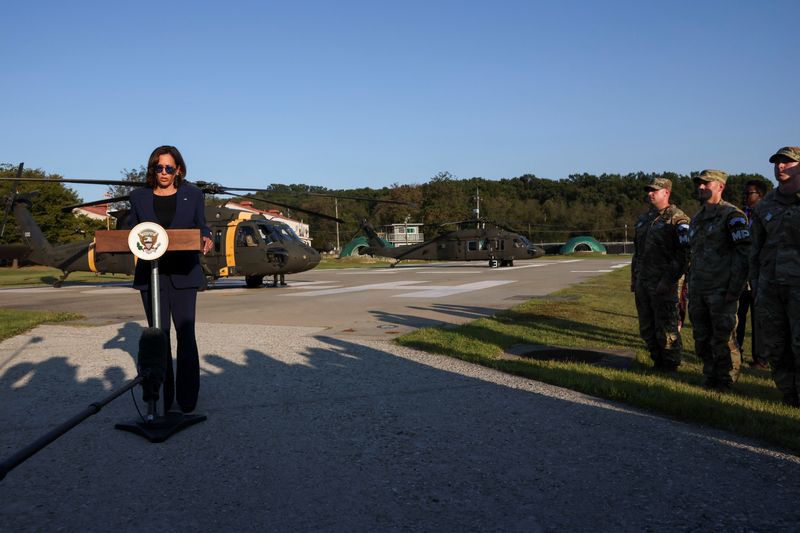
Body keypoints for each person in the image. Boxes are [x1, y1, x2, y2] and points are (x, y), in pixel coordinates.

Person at [129, 145, 213, 413]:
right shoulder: (138, 197)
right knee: (158, 337)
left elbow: (202, 225)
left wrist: (207, 237)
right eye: (158, 167)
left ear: (178, 169)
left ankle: (187, 399)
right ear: (152, 169)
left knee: (185, 336)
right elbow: (130, 230)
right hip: (151, 276)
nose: (163, 172)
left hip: (184, 274)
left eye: (168, 167)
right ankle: (162, 399)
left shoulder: (193, 195)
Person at [687, 170, 750, 391]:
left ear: (720, 186)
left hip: (722, 290)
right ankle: (709, 376)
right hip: (698, 290)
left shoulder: (732, 215)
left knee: (724, 338)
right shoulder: (697, 218)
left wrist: (736, 288)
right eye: (699, 184)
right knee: (702, 338)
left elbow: (744, 254)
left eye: (706, 184)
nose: (701, 187)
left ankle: (726, 382)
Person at [750, 147, 800, 407]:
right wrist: (756, 284)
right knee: (776, 346)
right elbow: (755, 250)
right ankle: (788, 395)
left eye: (788, 162)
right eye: (777, 163)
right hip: (770, 288)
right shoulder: (765, 205)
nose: (781, 167)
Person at [631, 177, 690, 371]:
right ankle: (657, 361)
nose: (650, 193)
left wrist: (669, 281)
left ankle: (670, 365)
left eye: (654, 190)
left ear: (666, 193)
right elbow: (638, 253)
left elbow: (684, 255)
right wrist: (635, 279)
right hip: (643, 282)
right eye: (649, 190)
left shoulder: (678, 218)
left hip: (665, 284)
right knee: (647, 327)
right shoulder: (643, 220)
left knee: (666, 327)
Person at [736, 179, 768, 369]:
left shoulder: (767, 215)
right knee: (738, 316)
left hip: (761, 275)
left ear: (760, 195)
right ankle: (736, 351)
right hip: (741, 275)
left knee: (760, 320)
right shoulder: (740, 216)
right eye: (745, 194)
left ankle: (760, 358)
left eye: (750, 194)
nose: (746, 197)